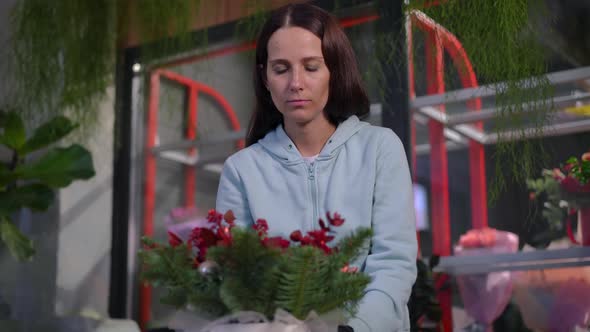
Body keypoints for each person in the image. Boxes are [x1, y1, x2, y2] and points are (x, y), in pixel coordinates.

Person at [216, 2, 417, 331]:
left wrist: (355, 328)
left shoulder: (380, 148)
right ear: (264, 77)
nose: (295, 83)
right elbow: (236, 281)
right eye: (281, 69)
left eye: (311, 67)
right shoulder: (241, 171)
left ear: (333, 72)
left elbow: (394, 263)